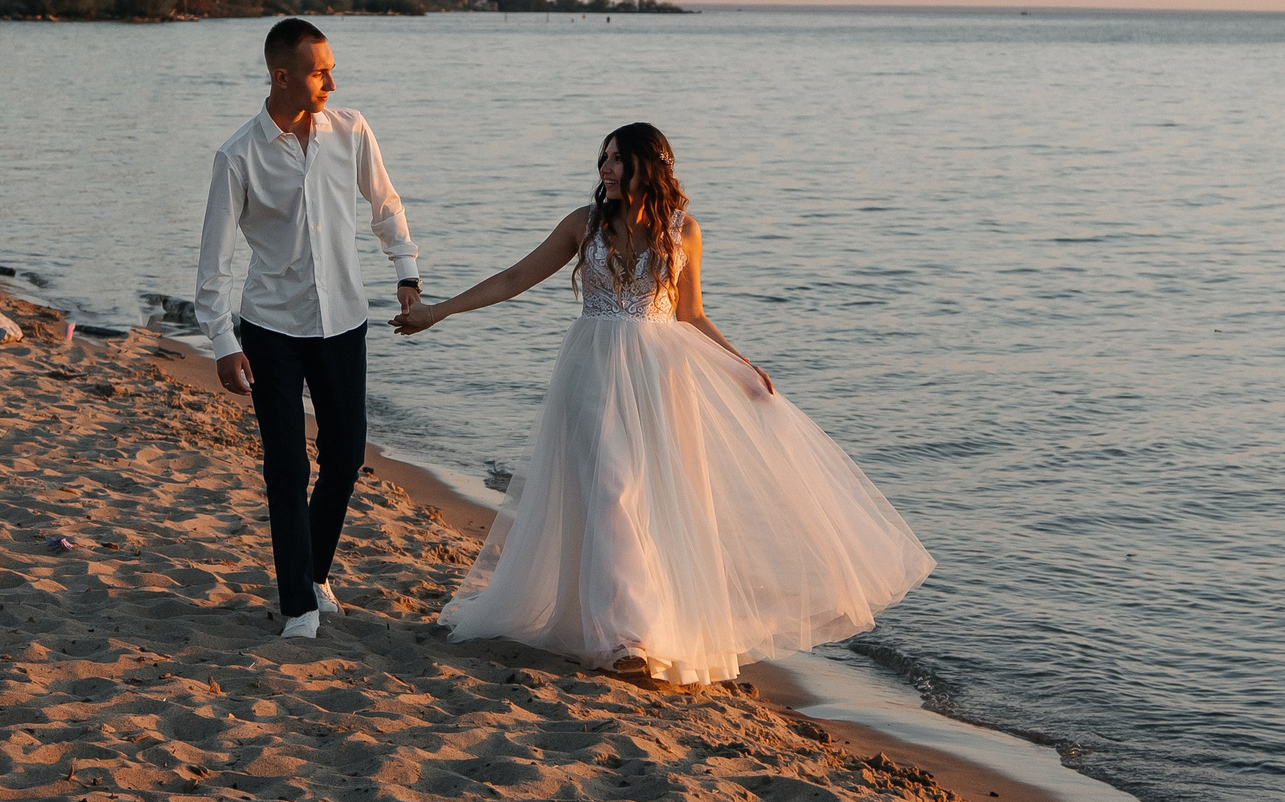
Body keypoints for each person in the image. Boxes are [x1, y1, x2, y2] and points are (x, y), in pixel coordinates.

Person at [390, 122, 931, 684]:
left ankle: (637, 627)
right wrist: (438, 312)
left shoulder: (683, 231)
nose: (604, 168)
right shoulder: (585, 224)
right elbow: (516, 276)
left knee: (644, 500)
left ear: (650, 166)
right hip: (592, 371)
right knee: (610, 492)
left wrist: (741, 366)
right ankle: (626, 640)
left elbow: (690, 315)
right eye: (603, 158)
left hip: (658, 378)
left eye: (617, 160)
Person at [197, 18, 422, 642]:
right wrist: (222, 343)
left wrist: (406, 273)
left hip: (345, 322)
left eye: (330, 69)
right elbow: (213, 262)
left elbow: (386, 205)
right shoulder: (237, 155)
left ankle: (316, 572)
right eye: (320, 70)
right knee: (286, 468)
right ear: (283, 76)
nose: (331, 80)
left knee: (346, 457)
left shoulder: (351, 130)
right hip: (271, 327)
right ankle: (297, 603)